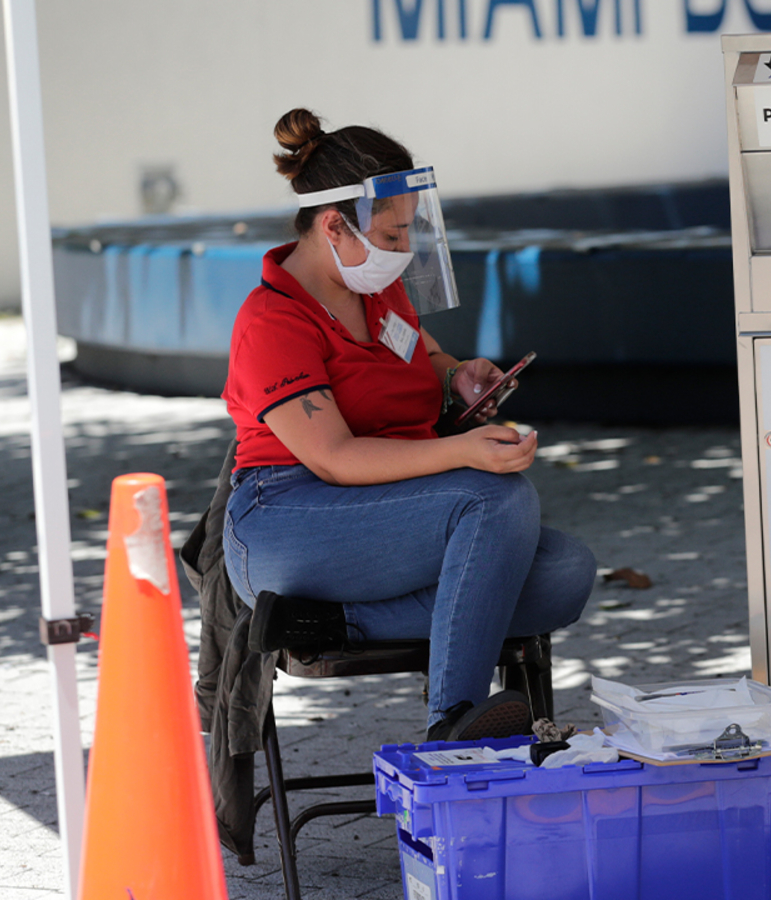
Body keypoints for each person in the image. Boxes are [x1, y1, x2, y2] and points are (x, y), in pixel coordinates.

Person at [221, 109, 594, 742]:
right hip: (284, 516)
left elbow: (425, 358)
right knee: (495, 498)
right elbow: (335, 457)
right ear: (333, 225)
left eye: (409, 231)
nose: (403, 249)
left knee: (565, 570)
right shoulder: (271, 320)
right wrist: (462, 452)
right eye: (392, 234)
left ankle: (337, 622)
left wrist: (458, 380)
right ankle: (454, 721)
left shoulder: (379, 292)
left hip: (390, 507)